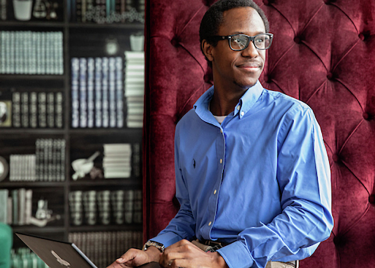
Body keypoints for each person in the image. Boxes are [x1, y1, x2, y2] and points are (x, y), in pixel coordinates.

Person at [107, 0, 333, 267]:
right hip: (198, 258)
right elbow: (191, 214)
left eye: (260, 40)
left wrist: (221, 260)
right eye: (239, 40)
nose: (253, 52)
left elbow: (312, 216)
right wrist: (154, 250)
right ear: (208, 48)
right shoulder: (188, 127)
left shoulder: (292, 117)